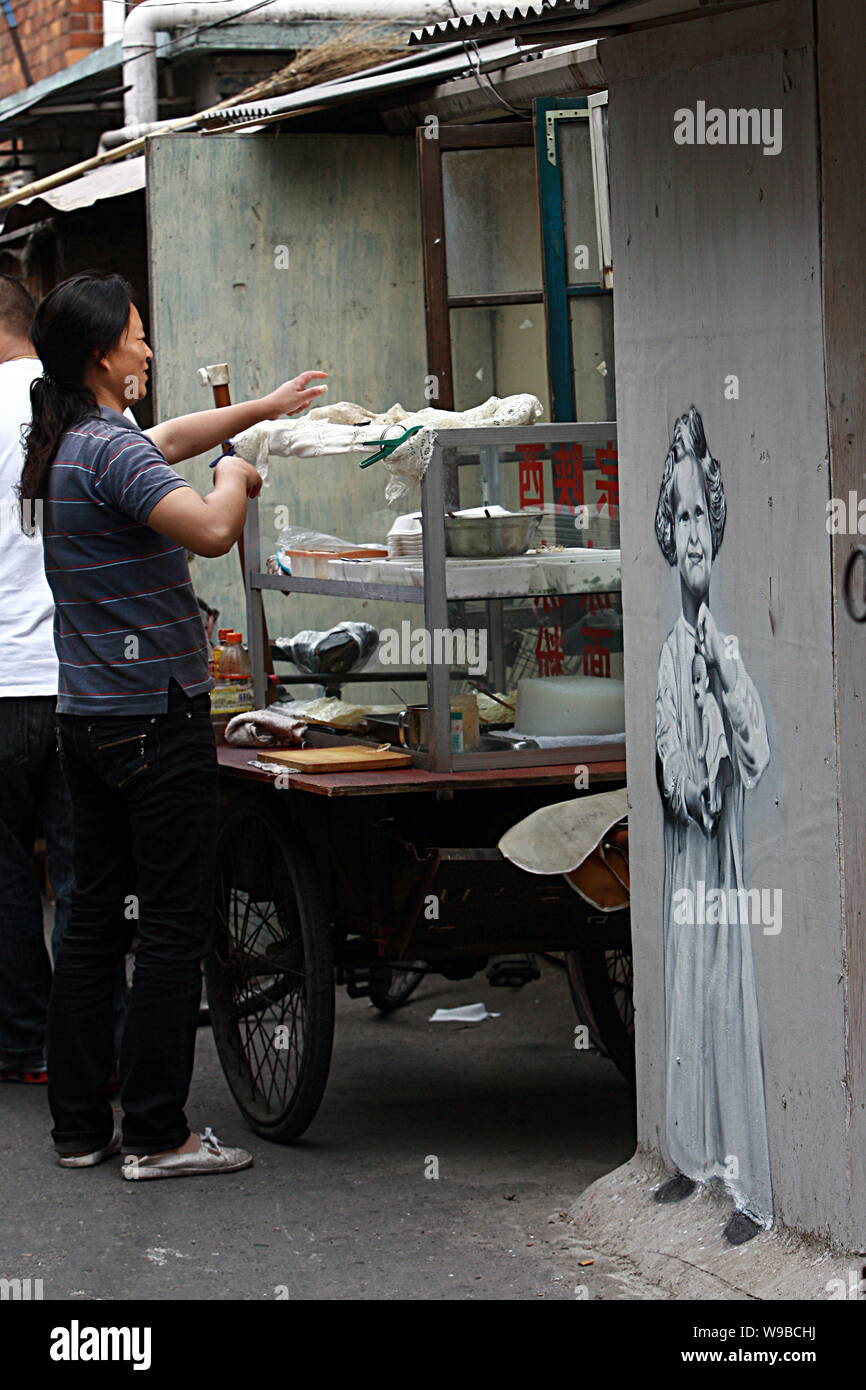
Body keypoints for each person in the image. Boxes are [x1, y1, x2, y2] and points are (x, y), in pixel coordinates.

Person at [20, 270, 327, 1178]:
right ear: (102, 353)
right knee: (171, 927)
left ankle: (80, 1127)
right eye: (139, 335)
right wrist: (235, 475)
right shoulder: (106, 451)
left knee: (90, 925)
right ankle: (159, 1132)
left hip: (90, 719)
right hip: (157, 720)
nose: (149, 349)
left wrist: (257, 411)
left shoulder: (74, 444)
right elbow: (206, 529)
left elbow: (169, 440)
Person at [654, 405, 772, 1244]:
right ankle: (688, 1157)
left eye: (703, 518)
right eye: (682, 518)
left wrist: (721, 685)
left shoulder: (722, 646)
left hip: (723, 860)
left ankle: (748, 1186)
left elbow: (756, 749)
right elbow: (668, 759)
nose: (693, 536)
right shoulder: (668, 653)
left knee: (728, 1000)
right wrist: (688, 779)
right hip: (688, 850)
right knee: (687, 991)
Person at [0, 274, 73, 1085]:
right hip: (73, 678)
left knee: (8, 873)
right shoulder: (77, 405)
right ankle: (100, 1046)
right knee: (87, 877)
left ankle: (25, 1046)